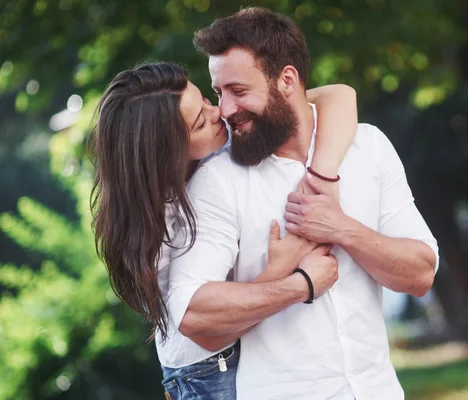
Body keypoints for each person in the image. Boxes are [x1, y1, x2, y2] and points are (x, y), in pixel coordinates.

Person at [168, 7, 439, 400]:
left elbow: (421, 274)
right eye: (219, 93)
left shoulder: (368, 146)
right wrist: (299, 285)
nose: (225, 110)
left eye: (238, 91)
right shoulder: (218, 180)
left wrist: (342, 229)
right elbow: (192, 311)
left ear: (287, 80)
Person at [89, 61, 358, 399]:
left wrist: (322, 177)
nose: (218, 112)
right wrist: (288, 276)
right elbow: (202, 323)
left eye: (204, 99)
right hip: (208, 371)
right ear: (165, 152)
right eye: (200, 121)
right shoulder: (163, 223)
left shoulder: (213, 138)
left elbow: (339, 95)